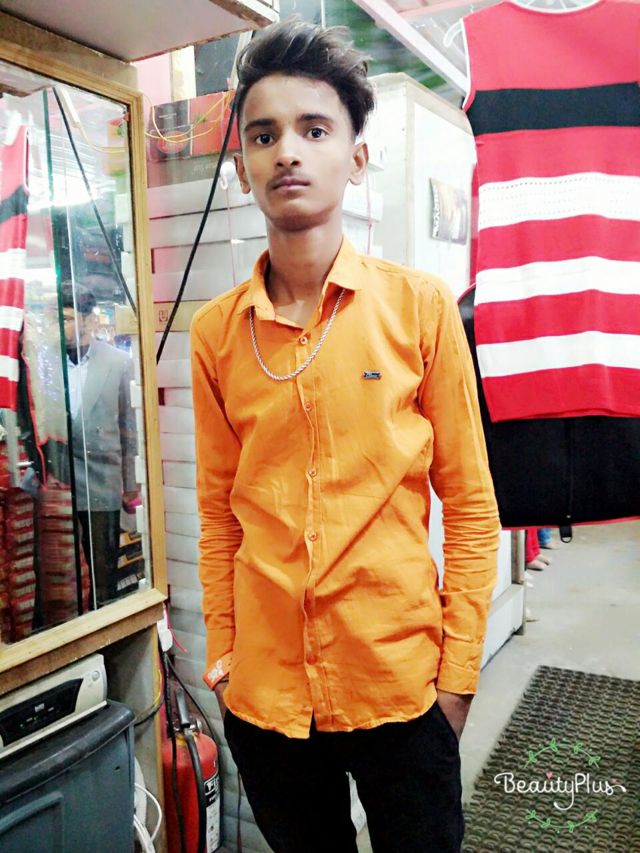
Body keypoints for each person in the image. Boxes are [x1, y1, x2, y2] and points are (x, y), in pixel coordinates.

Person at [191, 20, 501, 853]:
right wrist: (224, 654)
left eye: (314, 129)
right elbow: (218, 513)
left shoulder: (419, 309)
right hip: (267, 699)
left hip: (400, 685)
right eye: (264, 135)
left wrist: (458, 676)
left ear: (357, 157)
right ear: (243, 166)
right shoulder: (216, 334)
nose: (287, 152)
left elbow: (472, 504)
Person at [61, 282, 138, 606]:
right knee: (62, 573)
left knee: (102, 569)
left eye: (67, 318)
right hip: (60, 483)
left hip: (102, 481)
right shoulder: (45, 362)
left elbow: (129, 428)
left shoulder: (117, 362)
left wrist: (131, 484)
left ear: (89, 321)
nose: (60, 325)